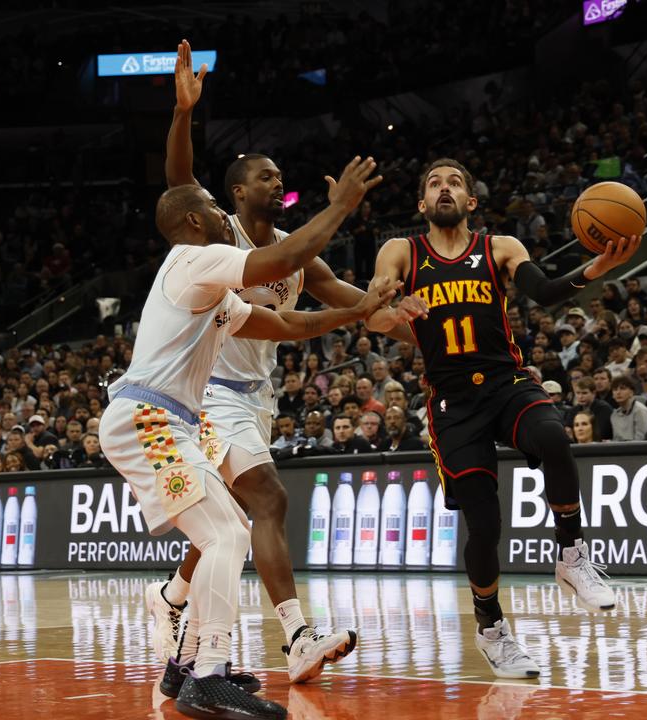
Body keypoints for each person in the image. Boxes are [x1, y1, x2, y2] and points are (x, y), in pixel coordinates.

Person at [153, 41, 423, 687]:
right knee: (268, 502)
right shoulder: (221, 239)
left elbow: (357, 309)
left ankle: (171, 600)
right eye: (266, 177)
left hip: (256, 397)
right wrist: (184, 112)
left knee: (229, 518)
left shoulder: (302, 256)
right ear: (237, 192)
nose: (278, 182)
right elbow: (178, 185)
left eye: (280, 176)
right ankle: (297, 635)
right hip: (209, 390)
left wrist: (410, 322)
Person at [99, 177, 399, 720]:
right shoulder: (196, 259)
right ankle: (208, 673)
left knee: (228, 531)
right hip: (150, 417)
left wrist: (361, 312)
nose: (220, 214)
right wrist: (338, 209)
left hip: (166, 422)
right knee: (229, 533)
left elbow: (288, 322)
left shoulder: (214, 295)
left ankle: (184, 666)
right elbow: (286, 255)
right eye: (214, 207)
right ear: (194, 221)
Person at [369, 157, 639, 678]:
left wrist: (594, 270)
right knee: (485, 524)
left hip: (505, 382)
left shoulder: (500, 247)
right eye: (433, 184)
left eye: (454, 183)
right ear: (421, 204)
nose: (443, 189)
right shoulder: (402, 251)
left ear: (471, 201)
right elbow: (374, 306)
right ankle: (492, 629)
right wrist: (394, 306)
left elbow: (541, 291)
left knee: (554, 438)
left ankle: (571, 556)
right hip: (451, 400)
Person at [609, 375, 647, 441]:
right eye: (615, 390)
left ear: (631, 392)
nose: (618, 392)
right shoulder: (614, 415)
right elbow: (616, 440)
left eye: (622, 388)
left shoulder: (640, 410)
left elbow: (641, 440)